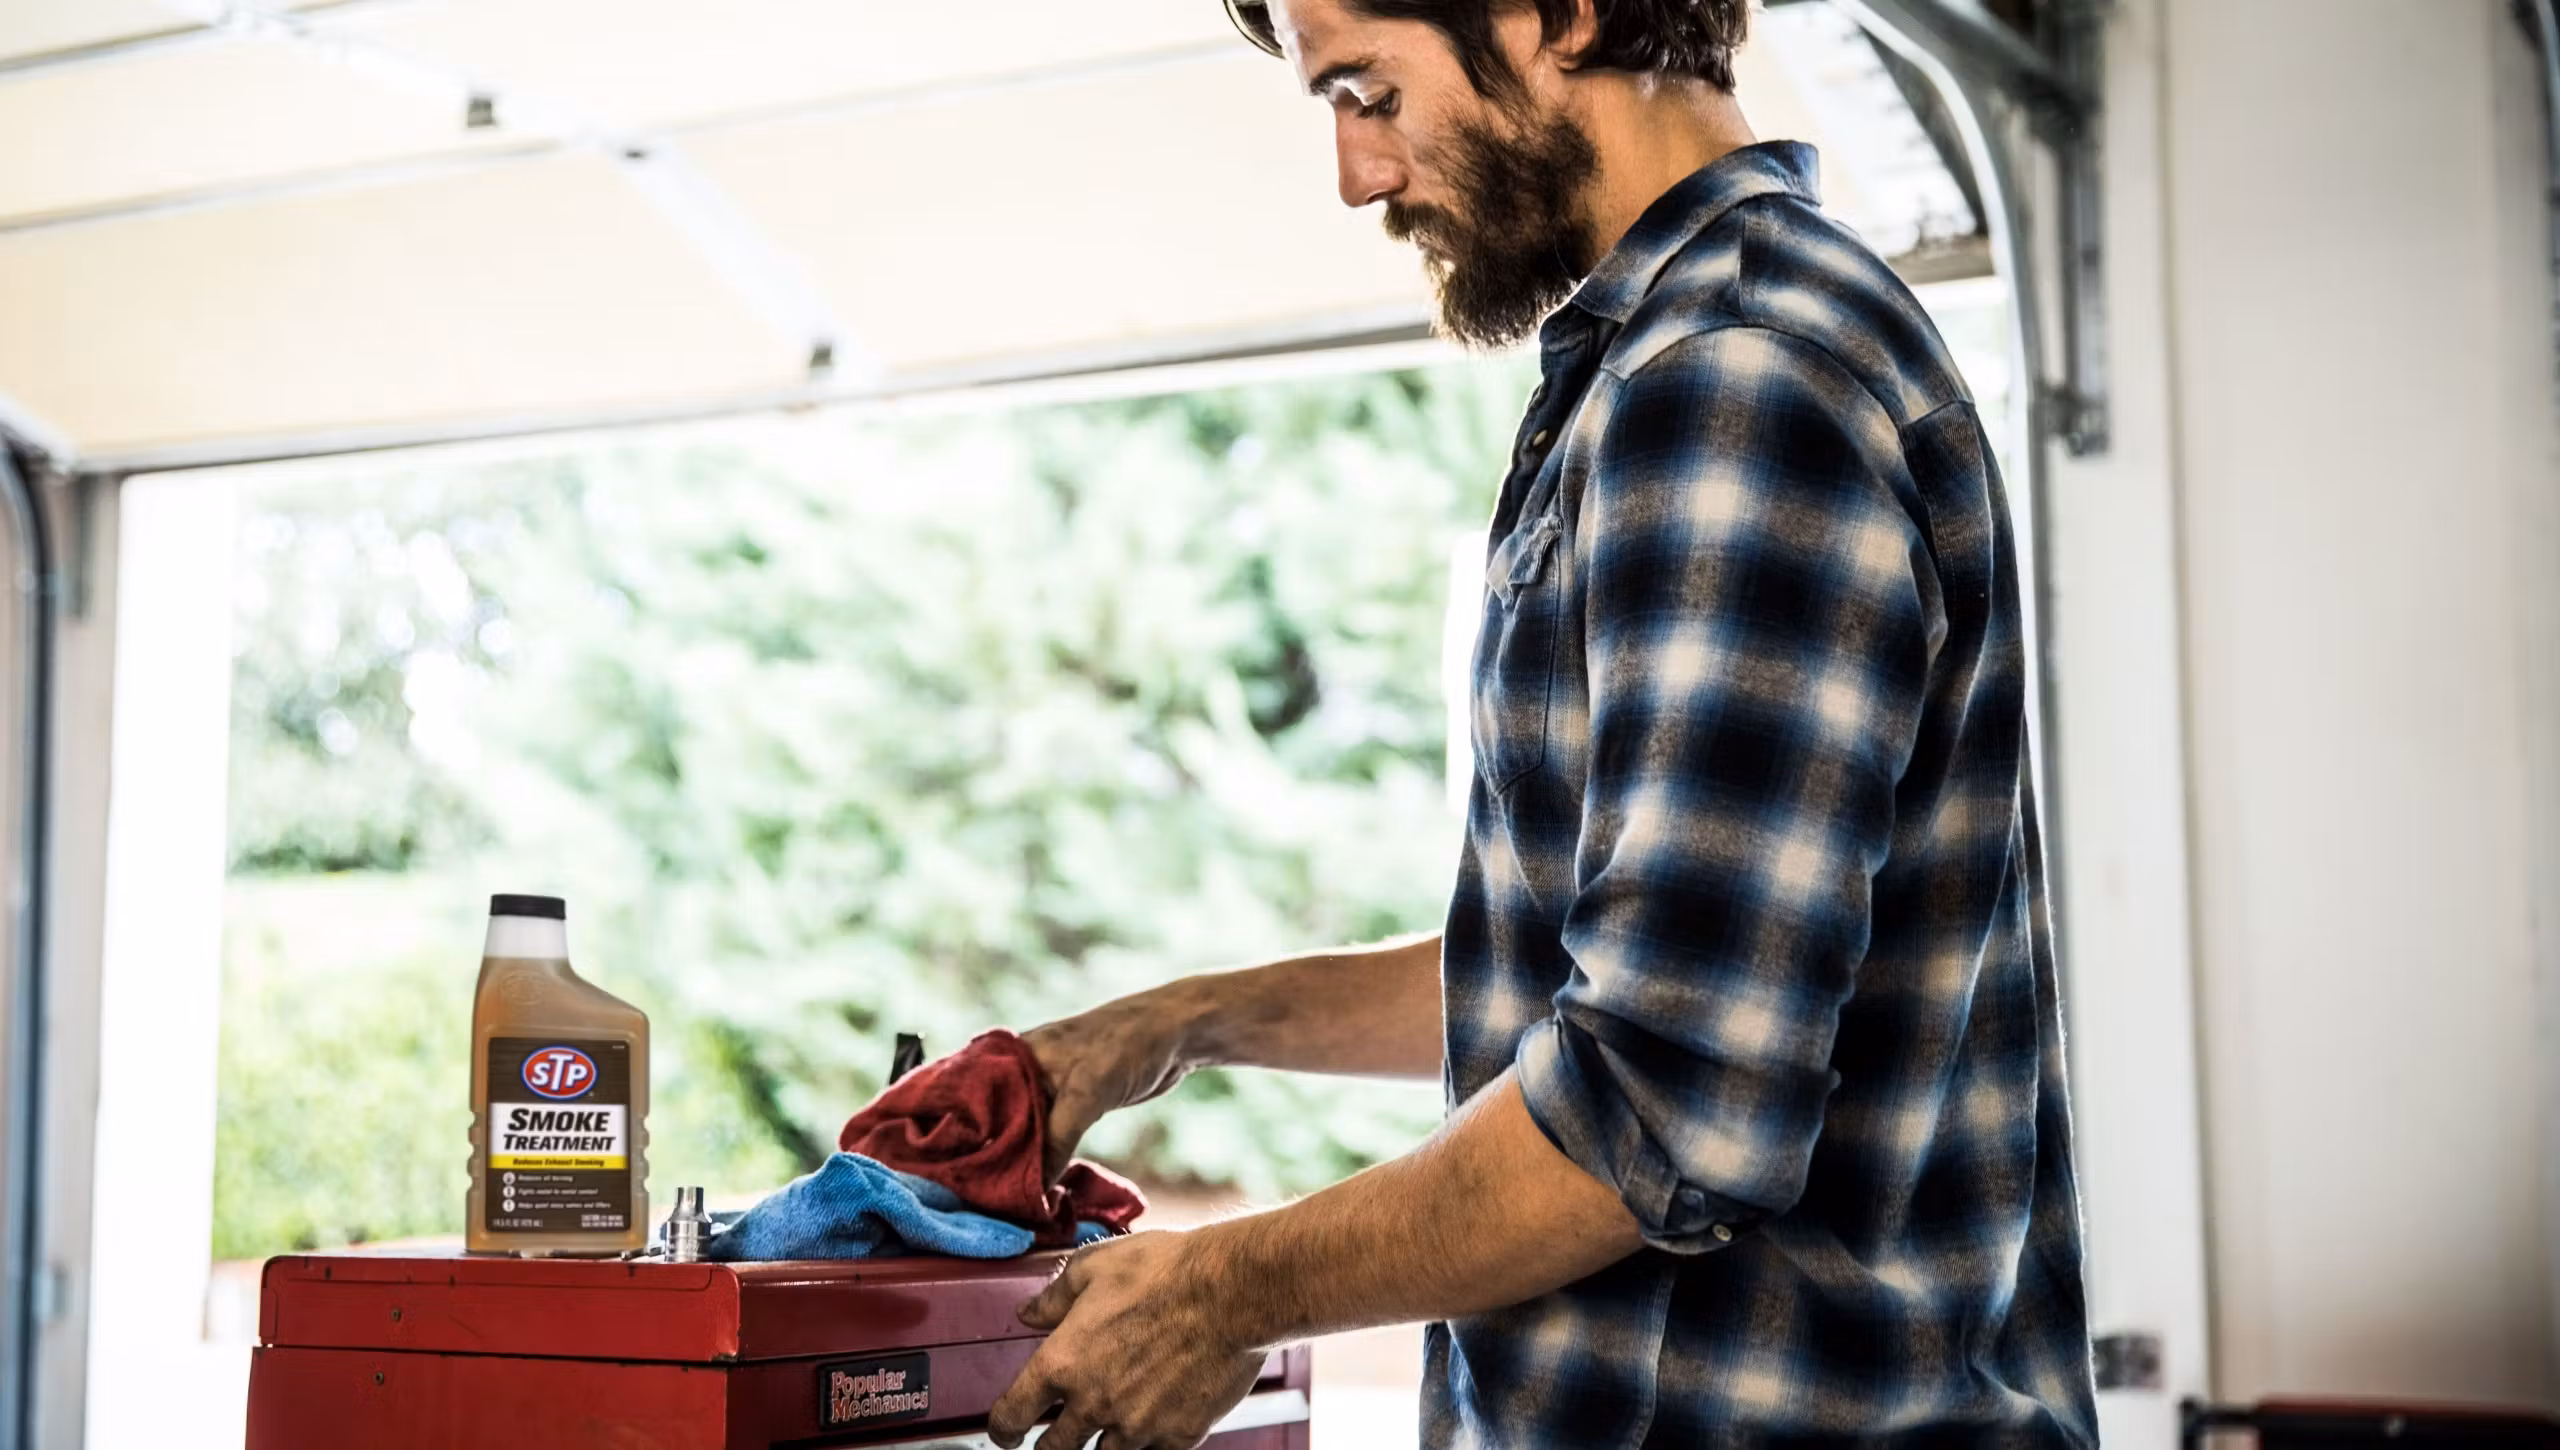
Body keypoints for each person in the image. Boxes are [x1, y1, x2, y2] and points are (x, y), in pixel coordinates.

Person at [986, 0, 2098, 1444]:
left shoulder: (1734, 377)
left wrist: (1220, 1289)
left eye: (1369, 89)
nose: (1356, 175)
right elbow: (1611, 981)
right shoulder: (1681, 358)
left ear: (1562, 16)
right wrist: (1169, 1030)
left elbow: (1660, 1104)